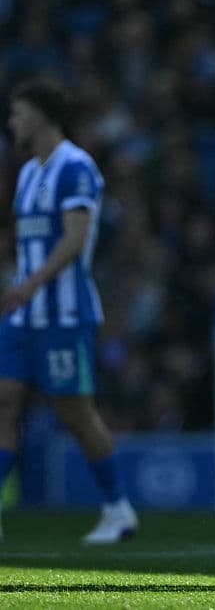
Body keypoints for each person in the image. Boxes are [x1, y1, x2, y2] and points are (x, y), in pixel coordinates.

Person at [0, 77, 138, 544]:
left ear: (41, 114)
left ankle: (118, 510)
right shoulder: (27, 174)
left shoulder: (76, 167)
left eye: (18, 113)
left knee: (75, 413)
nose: (12, 122)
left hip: (64, 314)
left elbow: (75, 239)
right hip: (24, 316)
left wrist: (28, 285)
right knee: (4, 402)